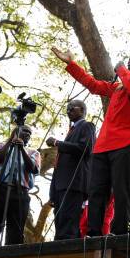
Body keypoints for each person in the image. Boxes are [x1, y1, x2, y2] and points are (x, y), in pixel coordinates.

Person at [52, 47, 130, 236]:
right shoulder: (118, 87)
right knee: (96, 191)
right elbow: (93, 85)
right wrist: (71, 64)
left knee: (121, 190)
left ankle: (119, 233)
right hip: (102, 145)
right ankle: (94, 233)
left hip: (126, 142)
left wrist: (120, 69)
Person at [0, 125, 41, 246]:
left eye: (30, 133)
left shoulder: (34, 152)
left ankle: (11, 256)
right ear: (16, 131)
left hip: (21, 192)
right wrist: (10, 142)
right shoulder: (1, 146)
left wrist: (22, 148)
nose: (28, 134)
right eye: (25, 131)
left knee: (16, 229)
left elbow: (33, 169)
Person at [47, 100, 95, 240]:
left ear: (81, 109)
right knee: (60, 220)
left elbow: (85, 148)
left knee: (69, 222)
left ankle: (67, 251)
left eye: (71, 108)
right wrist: (53, 190)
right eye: (67, 109)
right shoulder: (71, 131)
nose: (68, 111)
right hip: (61, 184)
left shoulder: (87, 126)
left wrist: (57, 143)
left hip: (74, 183)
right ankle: (59, 249)